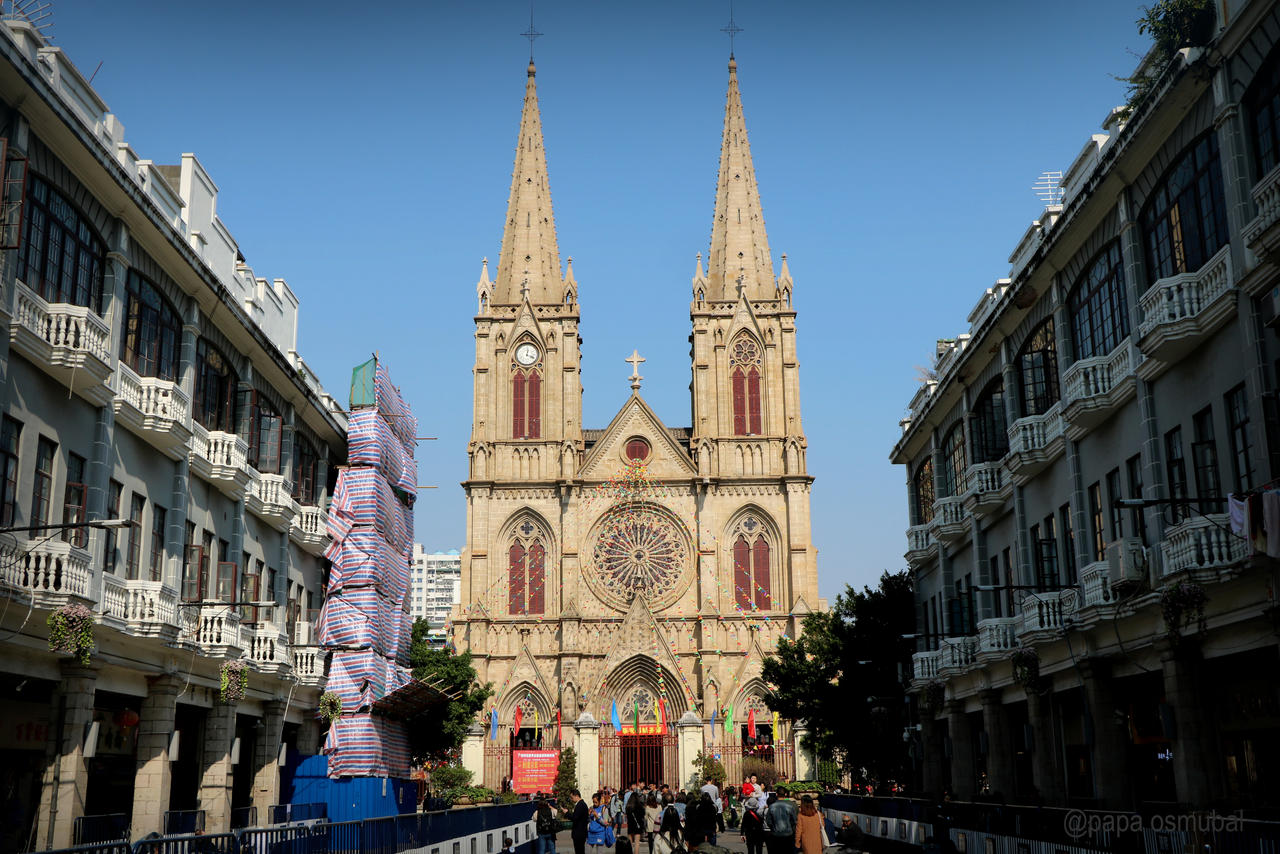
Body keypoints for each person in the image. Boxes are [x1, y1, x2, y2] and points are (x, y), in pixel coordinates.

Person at [565, 789, 589, 854]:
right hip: (581, 833)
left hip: (579, 833)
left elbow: (575, 817)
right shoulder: (581, 804)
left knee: (579, 851)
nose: (571, 799)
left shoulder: (580, 805)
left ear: (576, 796)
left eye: (572, 797)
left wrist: (567, 813)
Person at [626, 782, 648, 851]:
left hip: (630, 825)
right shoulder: (640, 806)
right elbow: (643, 814)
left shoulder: (628, 806)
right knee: (637, 843)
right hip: (637, 825)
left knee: (630, 843)